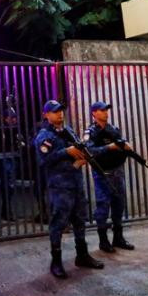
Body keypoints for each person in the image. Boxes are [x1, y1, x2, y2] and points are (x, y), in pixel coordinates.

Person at [34, 100, 103, 279]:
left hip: (75, 184)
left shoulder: (68, 131)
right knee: (58, 224)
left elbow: (79, 147)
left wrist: (81, 157)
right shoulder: (44, 136)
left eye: (61, 111)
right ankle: (56, 262)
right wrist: (67, 153)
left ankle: (82, 255)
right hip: (60, 187)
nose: (60, 114)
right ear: (46, 115)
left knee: (80, 221)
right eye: (55, 112)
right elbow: (44, 161)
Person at [83, 101, 135, 252]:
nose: (105, 112)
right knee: (103, 206)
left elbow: (120, 143)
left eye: (106, 110)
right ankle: (103, 241)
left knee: (119, 204)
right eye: (101, 110)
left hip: (117, 172)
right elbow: (90, 151)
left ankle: (118, 238)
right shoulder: (90, 132)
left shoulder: (113, 129)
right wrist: (109, 147)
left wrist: (125, 145)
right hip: (102, 173)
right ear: (94, 113)